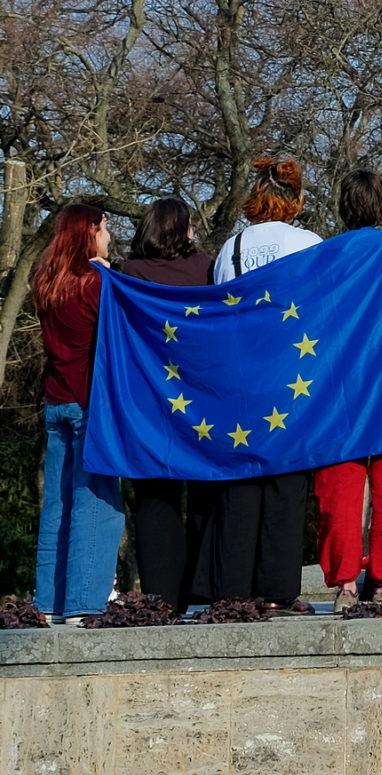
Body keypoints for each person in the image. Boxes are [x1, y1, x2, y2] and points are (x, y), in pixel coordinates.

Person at [201, 156, 321, 607]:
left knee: (239, 479)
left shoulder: (229, 249)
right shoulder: (309, 241)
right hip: (291, 374)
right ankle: (277, 589)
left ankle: (232, 588)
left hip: (239, 374)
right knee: (287, 482)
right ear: (296, 200)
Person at [312, 167, 382, 615]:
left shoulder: (324, 254)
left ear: (343, 207)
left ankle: (343, 582)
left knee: (339, 484)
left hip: (337, 382)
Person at [117, 197, 215, 609]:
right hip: (205, 394)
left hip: (150, 398)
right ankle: (203, 586)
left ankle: (161, 595)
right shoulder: (207, 268)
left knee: (156, 497)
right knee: (208, 491)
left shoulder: (130, 273)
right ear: (183, 229)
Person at [31, 204, 125, 620]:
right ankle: (84, 603)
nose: (109, 236)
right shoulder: (97, 283)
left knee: (57, 506)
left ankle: (49, 602)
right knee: (96, 505)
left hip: (56, 401)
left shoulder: (46, 281)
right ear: (89, 231)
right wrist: (106, 271)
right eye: (105, 229)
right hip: (91, 405)